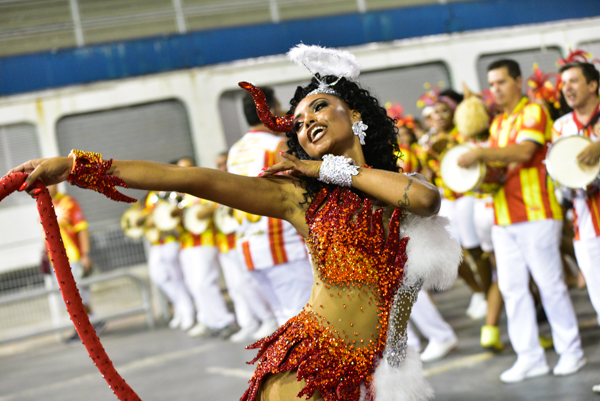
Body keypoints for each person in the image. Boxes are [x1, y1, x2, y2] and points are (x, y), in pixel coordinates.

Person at [10, 44, 461, 401]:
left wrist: (326, 169)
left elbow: (426, 199)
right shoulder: (299, 198)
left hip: (379, 377)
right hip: (313, 372)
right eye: (299, 122)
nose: (307, 124)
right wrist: (74, 167)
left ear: (355, 116)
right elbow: (189, 179)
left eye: (319, 108)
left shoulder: (398, 190)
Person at [458, 58, 585, 383]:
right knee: (513, 289)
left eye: (501, 82)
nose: (495, 89)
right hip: (503, 217)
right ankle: (530, 357)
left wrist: (481, 155)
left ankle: (571, 351)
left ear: (518, 81)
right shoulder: (499, 123)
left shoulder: (535, 111)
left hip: (537, 213)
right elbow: (500, 168)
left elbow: (524, 152)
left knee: (550, 285)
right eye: (491, 84)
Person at [226, 85, 314, 327]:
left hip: (251, 248)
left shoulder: (236, 150)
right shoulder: (275, 146)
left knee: (285, 320)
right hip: (281, 247)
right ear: (270, 110)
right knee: (306, 320)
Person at [551, 53, 600, 392]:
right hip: (586, 226)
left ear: (593, 85)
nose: (566, 88)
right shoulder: (561, 127)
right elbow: (560, 173)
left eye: (574, 81)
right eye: (563, 83)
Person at [176, 157, 238, 338]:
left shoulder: (204, 187)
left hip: (206, 241)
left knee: (204, 283)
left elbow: (217, 208)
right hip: (186, 244)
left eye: (187, 168)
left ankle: (224, 321)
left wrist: (203, 212)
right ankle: (209, 320)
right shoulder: (182, 195)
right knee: (194, 285)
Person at [47, 184, 105, 342]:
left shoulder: (68, 203)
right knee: (67, 298)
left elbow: (82, 228)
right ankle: (90, 324)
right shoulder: (43, 205)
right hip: (55, 260)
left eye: (49, 183)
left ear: (57, 184)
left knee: (78, 296)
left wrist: (85, 254)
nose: (46, 187)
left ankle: (88, 326)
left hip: (72, 258)